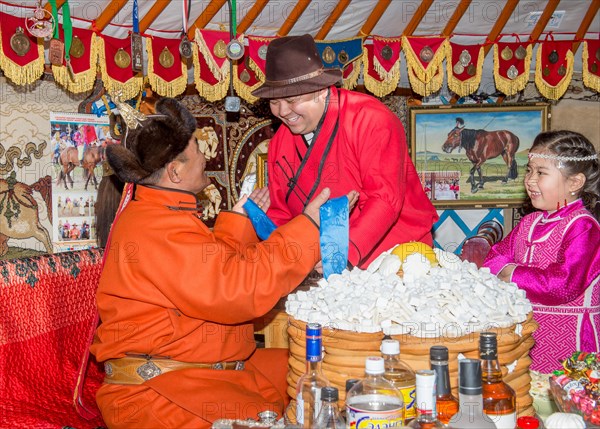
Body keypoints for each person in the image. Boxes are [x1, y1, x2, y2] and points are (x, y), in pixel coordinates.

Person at [89, 97, 358, 428]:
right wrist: (308, 227)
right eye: (198, 150)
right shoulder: (154, 226)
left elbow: (210, 273)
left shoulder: (158, 213)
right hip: (165, 394)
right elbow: (236, 291)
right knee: (319, 382)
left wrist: (237, 221)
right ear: (174, 171)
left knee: (323, 367)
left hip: (201, 370)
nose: (206, 156)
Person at [251, 34, 438, 268]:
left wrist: (341, 255)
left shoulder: (371, 120)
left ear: (320, 90)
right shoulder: (280, 141)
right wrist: (288, 257)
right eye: (274, 102)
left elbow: (384, 200)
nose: (283, 111)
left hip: (394, 256)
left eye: (292, 99)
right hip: (320, 262)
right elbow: (281, 211)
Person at [483, 130, 599, 375]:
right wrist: (504, 268)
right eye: (529, 170)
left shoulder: (584, 227)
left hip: (570, 341)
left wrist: (512, 273)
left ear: (575, 182)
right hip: (528, 336)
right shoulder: (530, 223)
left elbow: (562, 285)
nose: (530, 180)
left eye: (541, 173)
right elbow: (493, 256)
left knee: (566, 407)